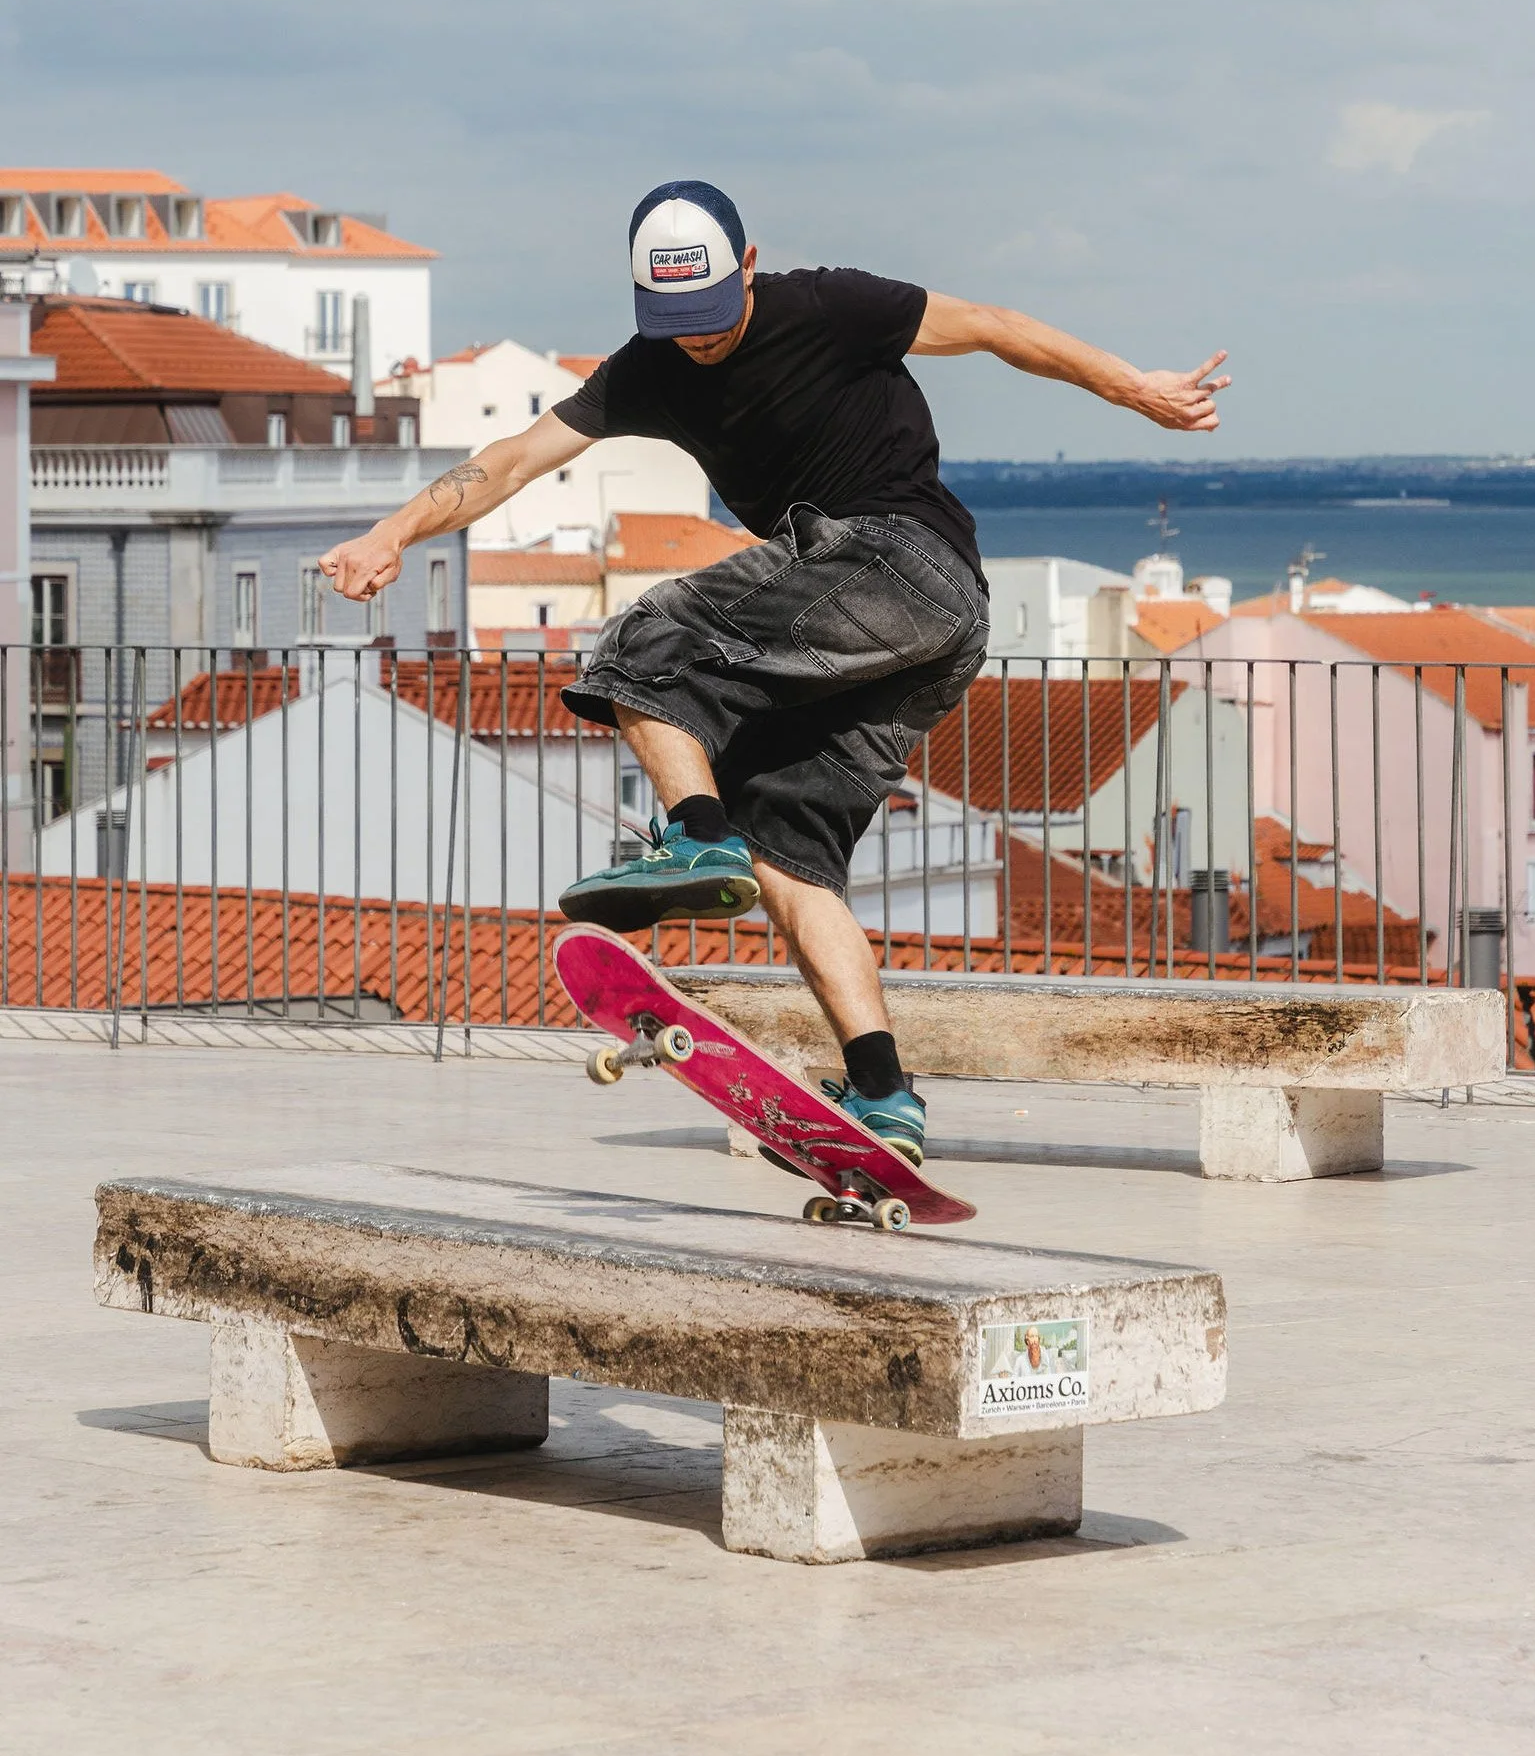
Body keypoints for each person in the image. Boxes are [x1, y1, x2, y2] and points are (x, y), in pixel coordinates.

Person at [320, 179, 1229, 1163]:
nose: (698, 340)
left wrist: (1133, 388)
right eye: (675, 323)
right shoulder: (647, 369)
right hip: (926, 637)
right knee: (786, 855)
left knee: (643, 642)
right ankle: (881, 1090)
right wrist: (395, 527)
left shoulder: (832, 305)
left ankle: (691, 837)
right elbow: (509, 461)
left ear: (747, 268)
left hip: (898, 559)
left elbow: (994, 326)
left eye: (710, 316)